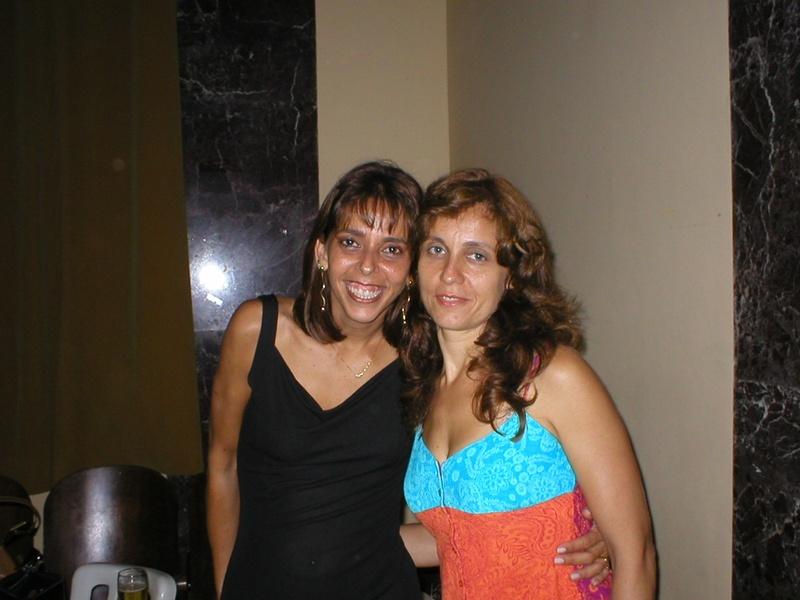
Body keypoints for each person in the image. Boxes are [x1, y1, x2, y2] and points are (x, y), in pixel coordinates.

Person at [207, 161, 611, 600]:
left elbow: (486, 495)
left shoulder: (423, 362)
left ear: (410, 268)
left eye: (392, 249)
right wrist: (227, 585)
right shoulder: (258, 330)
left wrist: (587, 532)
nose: (368, 266)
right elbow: (223, 465)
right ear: (322, 251)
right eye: (350, 242)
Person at [402, 169, 657, 599]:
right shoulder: (424, 389)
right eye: (437, 249)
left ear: (511, 276)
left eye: (476, 255)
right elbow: (455, 537)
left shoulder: (553, 376)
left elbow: (636, 555)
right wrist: (323, 541)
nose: (450, 273)